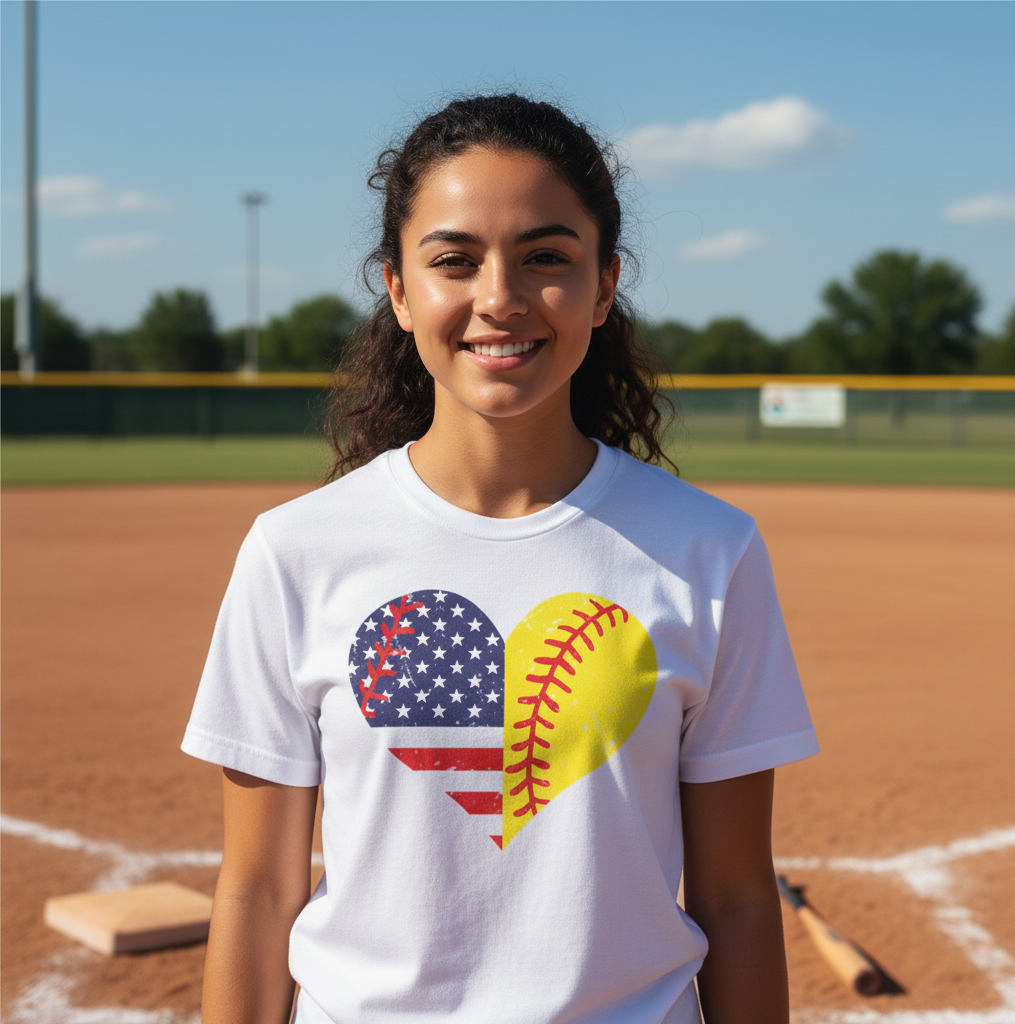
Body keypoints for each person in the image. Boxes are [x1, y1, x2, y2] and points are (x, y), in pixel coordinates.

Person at [182, 93, 818, 1024]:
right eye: (453, 260)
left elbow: (734, 897)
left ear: (603, 289)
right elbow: (257, 894)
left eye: (547, 258)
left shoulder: (707, 551)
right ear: (398, 290)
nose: (500, 297)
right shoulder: (296, 551)